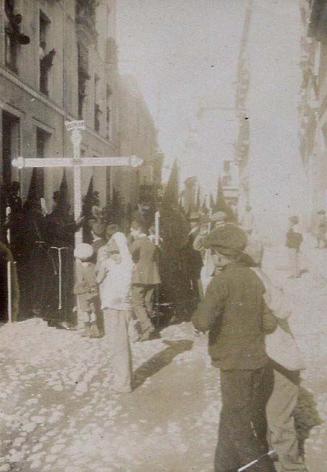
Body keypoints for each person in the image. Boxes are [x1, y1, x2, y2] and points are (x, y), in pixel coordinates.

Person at [192, 224, 277, 472]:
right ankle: (224, 467)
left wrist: (197, 316)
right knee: (230, 416)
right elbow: (269, 323)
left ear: (218, 255)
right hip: (258, 363)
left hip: (234, 365)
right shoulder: (253, 277)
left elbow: (203, 321)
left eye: (211, 253)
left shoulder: (221, 282)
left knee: (239, 428)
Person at [242, 241, 308, 472]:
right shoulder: (258, 277)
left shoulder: (259, 280)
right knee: (269, 416)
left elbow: (283, 309)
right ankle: (278, 457)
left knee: (279, 419)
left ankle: (293, 467)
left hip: (281, 361)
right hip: (269, 360)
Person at [96, 231, 134, 393]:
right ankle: (126, 378)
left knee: (117, 346)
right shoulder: (129, 263)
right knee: (123, 344)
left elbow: (97, 279)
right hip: (125, 307)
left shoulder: (109, 263)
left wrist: (102, 259)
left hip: (113, 306)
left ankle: (123, 383)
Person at [130, 220, 161, 341]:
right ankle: (147, 332)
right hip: (152, 277)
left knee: (137, 303)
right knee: (148, 302)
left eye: (132, 231)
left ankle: (147, 326)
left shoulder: (138, 242)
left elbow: (129, 253)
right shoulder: (151, 242)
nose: (131, 233)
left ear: (137, 230)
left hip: (140, 276)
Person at [74, 243, 101, 338]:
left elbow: (80, 280)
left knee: (85, 311)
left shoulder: (79, 267)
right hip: (93, 290)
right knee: (93, 310)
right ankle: (95, 328)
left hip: (83, 291)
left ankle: (87, 330)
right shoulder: (93, 265)